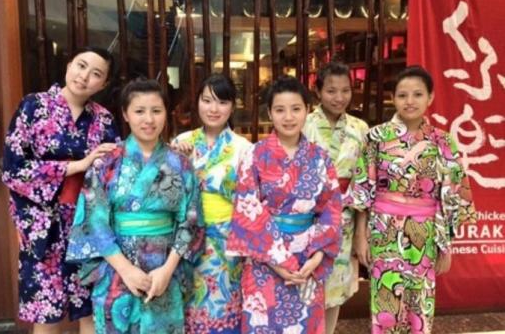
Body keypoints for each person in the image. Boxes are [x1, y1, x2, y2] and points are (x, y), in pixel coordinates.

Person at [66, 78, 200, 333]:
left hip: (164, 270)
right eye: (139, 111)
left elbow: (190, 220)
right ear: (126, 115)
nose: (148, 119)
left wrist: (167, 270)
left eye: (156, 111)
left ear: (166, 114)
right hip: (115, 268)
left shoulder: (181, 163)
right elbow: (94, 221)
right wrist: (126, 270)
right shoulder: (106, 162)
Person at [2, 47, 119, 333]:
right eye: (81, 65)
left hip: (88, 223)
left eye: (96, 74)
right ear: (68, 66)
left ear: (103, 84)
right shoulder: (33, 106)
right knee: (46, 315)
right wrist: (77, 166)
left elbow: (116, 172)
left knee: (91, 311)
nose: (84, 76)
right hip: (43, 224)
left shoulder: (104, 119)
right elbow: (13, 168)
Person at [351, 66, 476, 333]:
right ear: (393, 99)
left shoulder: (443, 141)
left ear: (430, 97)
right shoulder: (375, 137)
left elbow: (452, 196)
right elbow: (363, 188)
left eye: (417, 94)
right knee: (386, 303)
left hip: (425, 233)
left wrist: (446, 245)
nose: (410, 101)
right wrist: (360, 235)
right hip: (384, 230)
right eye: (402, 95)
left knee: (420, 305)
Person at [226, 75, 342, 333]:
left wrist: (316, 257)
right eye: (280, 110)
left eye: (296, 109)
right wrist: (278, 262)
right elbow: (247, 210)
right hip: (264, 262)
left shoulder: (320, 158)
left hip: (307, 261)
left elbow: (331, 210)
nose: (288, 117)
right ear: (269, 113)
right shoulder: (255, 155)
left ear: (307, 110)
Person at [172, 73, 251, 333]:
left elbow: (250, 201)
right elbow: (169, 193)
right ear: (197, 102)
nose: (213, 109)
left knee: (224, 306)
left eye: (222, 102)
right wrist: (179, 161)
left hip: (228, 241)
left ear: (232, 106)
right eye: (207, 100)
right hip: (187, 239)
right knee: (189, 308)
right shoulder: (181, 142)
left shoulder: (244, 148)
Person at [303, 62, 369, 334]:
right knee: (307, 288)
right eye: (331, 91)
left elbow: (364, 184)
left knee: (335, 291)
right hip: (309, 220)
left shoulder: (360, 128)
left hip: (345, 220)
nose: (339, 97)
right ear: (317, 91)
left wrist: (361, 234)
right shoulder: (304, 123)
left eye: (345, 90)